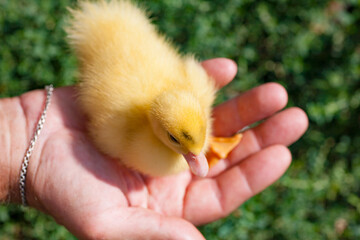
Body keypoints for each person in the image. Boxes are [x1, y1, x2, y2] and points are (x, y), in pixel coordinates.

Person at [0, 58, 308, 239]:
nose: (196, 162)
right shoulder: (120, 134)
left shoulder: (185, 104)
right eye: (178, 142)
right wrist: (25, 144)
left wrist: (21, 138)